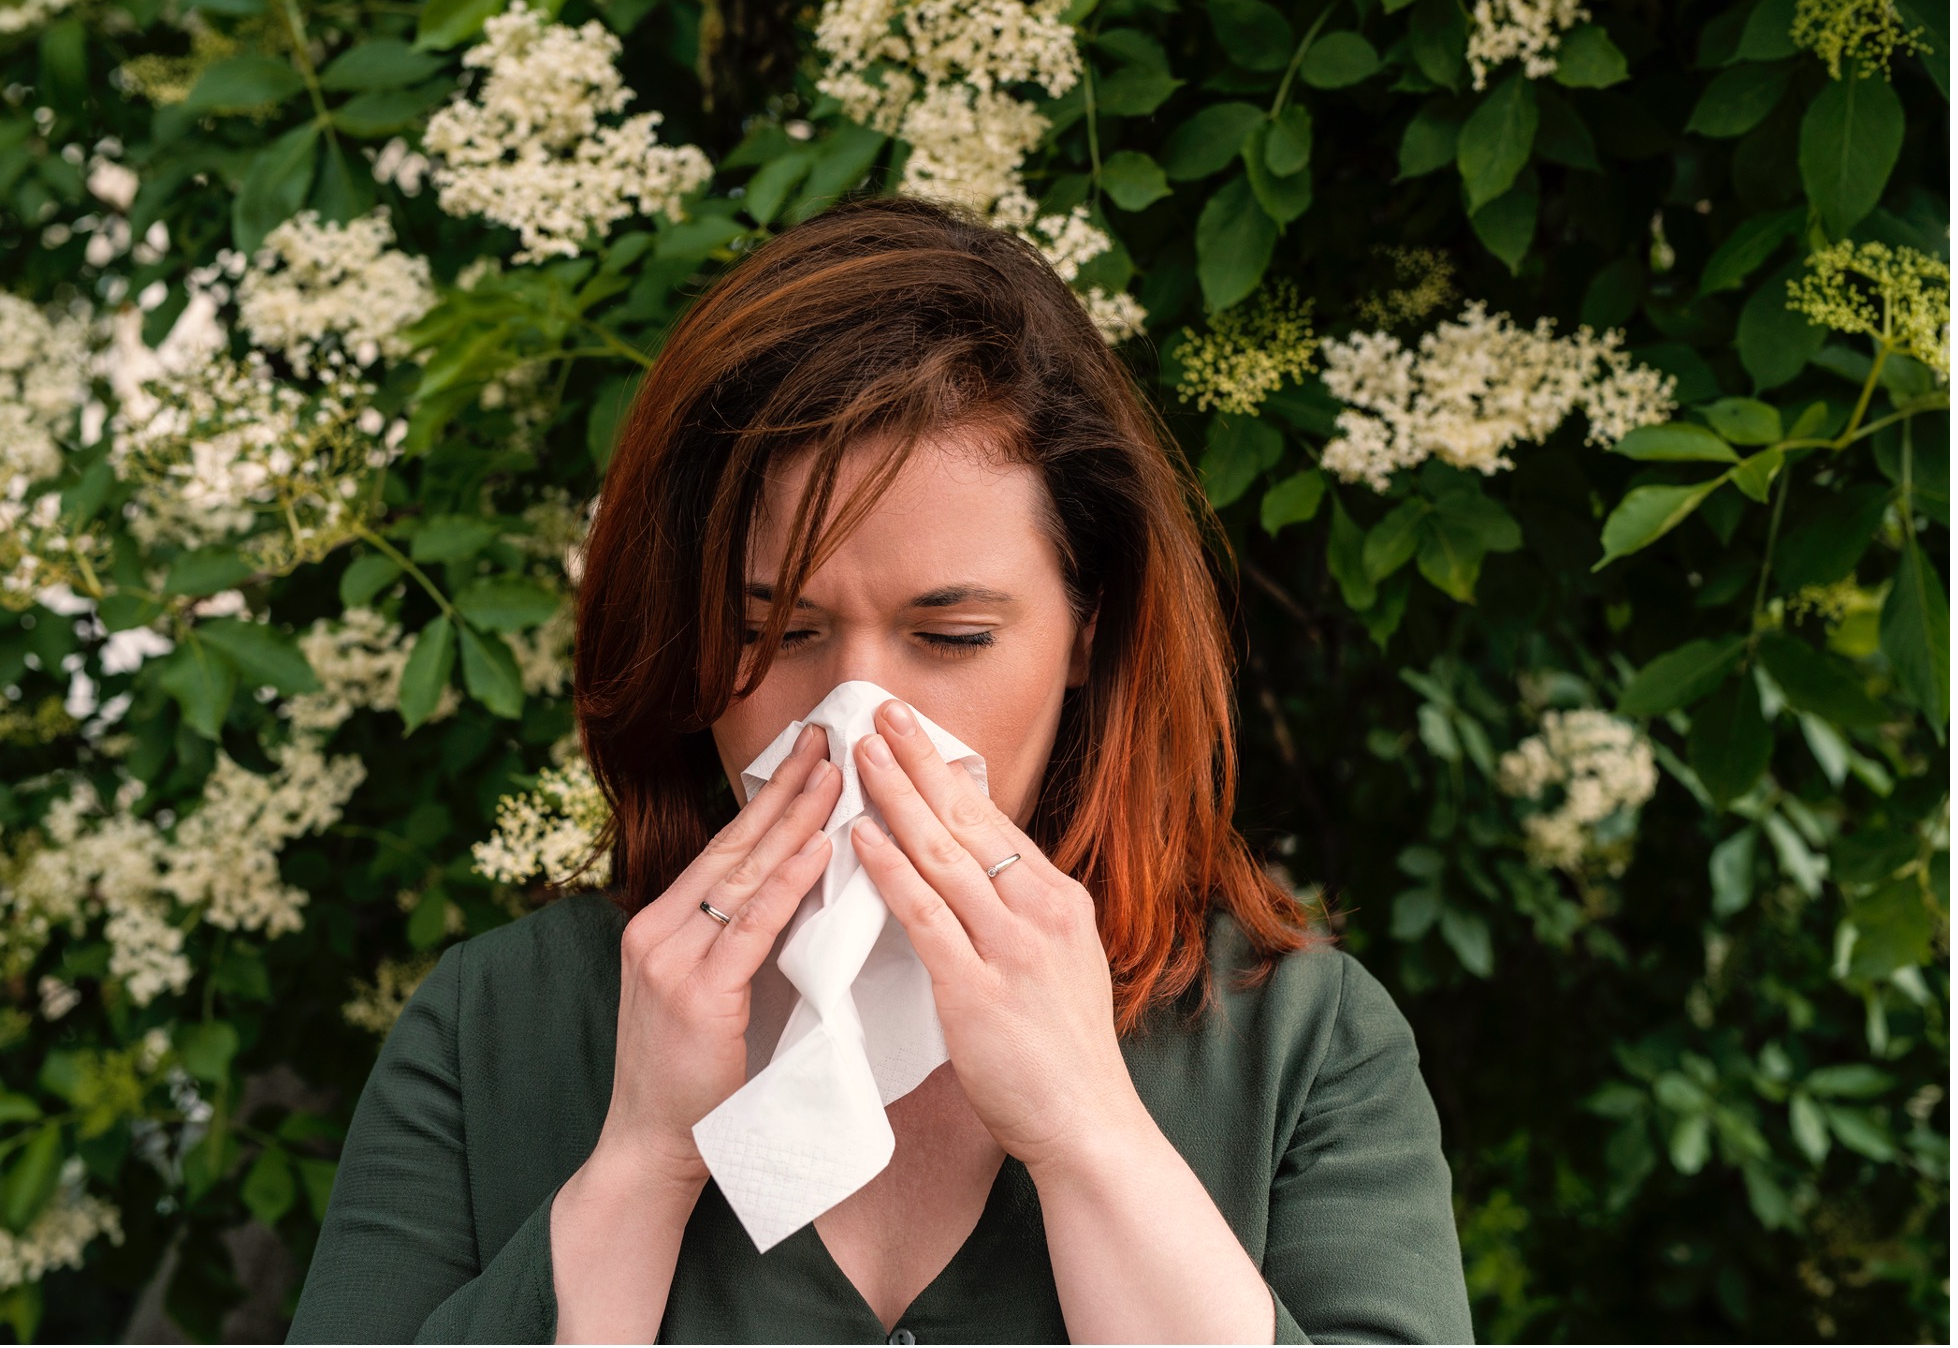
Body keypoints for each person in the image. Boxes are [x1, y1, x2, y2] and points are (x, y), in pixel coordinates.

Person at [285, 193, 1474, 1345]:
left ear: (1088, 631)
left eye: (950, 638)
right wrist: (646, 1160)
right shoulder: (497, 1026)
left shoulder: (1297, 1045)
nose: (855, 719)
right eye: (774, 634)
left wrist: (1085, 1132)